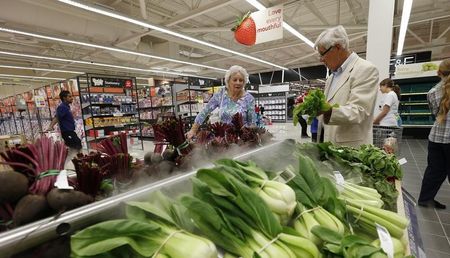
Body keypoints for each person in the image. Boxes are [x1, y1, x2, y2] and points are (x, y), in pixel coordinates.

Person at [315, 25, 379, 147]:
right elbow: (326, 114)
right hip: (329, 146)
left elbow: (359, 111)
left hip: (351, 150)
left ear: (338, 47)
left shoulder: (365, 69)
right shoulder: (331, 78)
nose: (321, 60)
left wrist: (327, 110)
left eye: (323, 54)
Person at [186, 65, 256, 139]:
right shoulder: (221, 94)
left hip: (242, 140)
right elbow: (205, 111)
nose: (238, 83)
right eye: (235, 80)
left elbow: (252, 123)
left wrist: (250, 137)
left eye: (241, 80)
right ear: (228, 81)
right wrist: (193, 130)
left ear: (244, 82)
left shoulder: (249, 99)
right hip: (223, 138)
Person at [418, 58, 450, 209]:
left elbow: (434, 114)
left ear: (439, 72)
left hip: (436, 136)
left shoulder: (432, 92)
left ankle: (425, 199)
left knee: (434, 170)